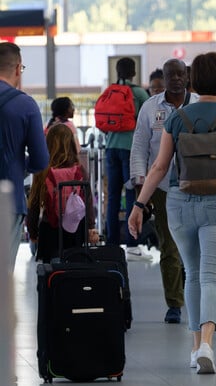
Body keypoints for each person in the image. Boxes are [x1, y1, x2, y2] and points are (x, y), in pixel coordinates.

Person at [128, 52, 216, 374]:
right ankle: (207, 340)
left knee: (191, 274)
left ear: (192, 81)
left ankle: (195, 348)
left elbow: (160, 166)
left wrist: (139, 205)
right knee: (210, 276)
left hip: (180, 202)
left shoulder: (178, 118)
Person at [130, 59, 191, 324]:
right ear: (163, 79)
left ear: (187, 77)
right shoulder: (150, 108)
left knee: (197, 246)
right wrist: (141, 186)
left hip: (197, 187)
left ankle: (202, 298)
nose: (176, 79)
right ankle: (175, 303)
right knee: (169, 246)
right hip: (163, 187)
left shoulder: (200, 104)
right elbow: (140, 148)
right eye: (171, 75)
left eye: (180, 74)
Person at [0, 42, 49, 268]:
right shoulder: (25, 105)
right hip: (9, 199)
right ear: (18, 68)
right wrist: (18, 165)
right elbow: (40, 160)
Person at [27, 124, 98, 262]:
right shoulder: (80, 170)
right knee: (74, 268)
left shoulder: (43, 171)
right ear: (71, 143)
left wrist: (33, 232)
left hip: (50, 229)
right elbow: (88, 201)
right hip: (76, 230)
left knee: (49, 272)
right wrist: (90, 227)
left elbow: (34, 203)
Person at [104, 57, 151, 261]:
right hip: (131, 150)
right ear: (133, 72)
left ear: (117, 71)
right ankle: (132, 245)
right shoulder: (140, 93)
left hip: (110, 148)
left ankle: (112, 245)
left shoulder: (109, 92)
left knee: (112, 197)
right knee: (132, 196)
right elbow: (145, 123)